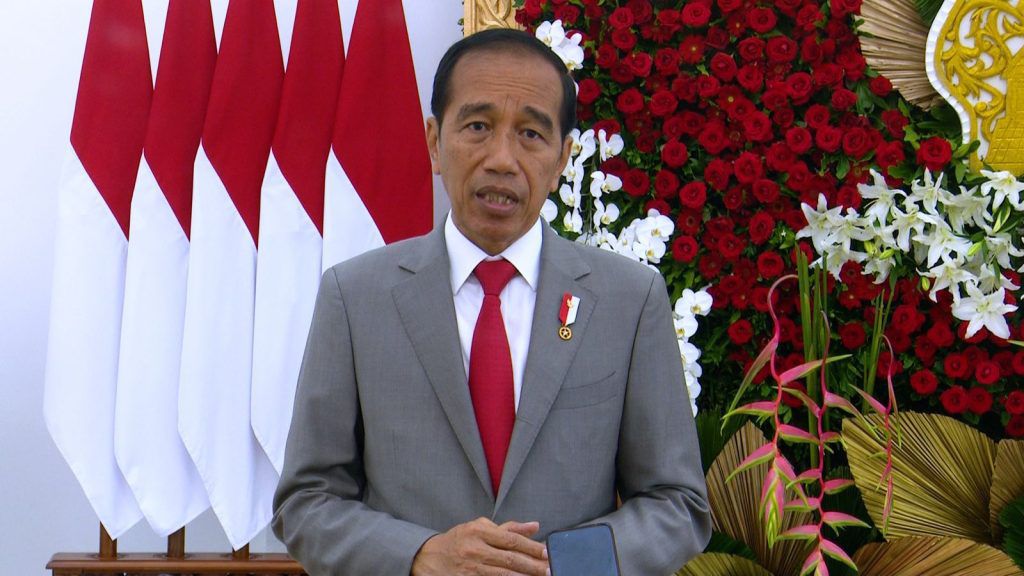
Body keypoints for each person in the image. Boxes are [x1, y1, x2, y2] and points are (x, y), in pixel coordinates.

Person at [272, 28, 711, 576]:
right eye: (477, 127)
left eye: (531, 134)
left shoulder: (628, 299)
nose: (502, 159)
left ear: (562, 158)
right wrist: (421, 556)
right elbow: (306, 503)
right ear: (435, 141)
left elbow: (677, 506)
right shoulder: (357, 297)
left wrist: (559, 565)